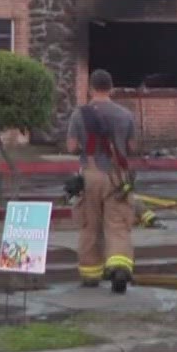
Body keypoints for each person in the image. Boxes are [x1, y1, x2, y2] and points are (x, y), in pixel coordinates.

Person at [66, 69, 137, 293]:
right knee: (117, 225)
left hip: (90, 174)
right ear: (111, 88)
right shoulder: (126, 115)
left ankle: (90, 275)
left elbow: (71, 147)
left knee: (89, 226)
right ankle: (119, 268)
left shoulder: (79, 114)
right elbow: (133, 148)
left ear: (90, 88)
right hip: (117, 177)